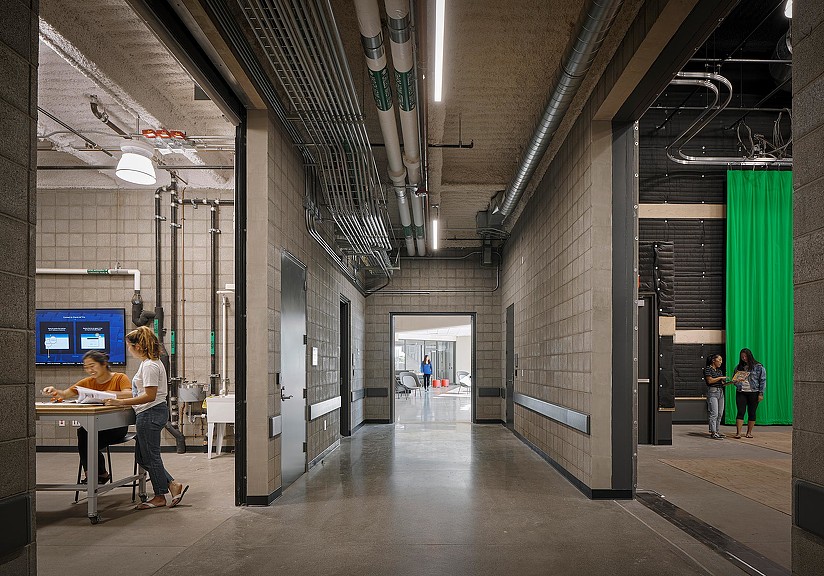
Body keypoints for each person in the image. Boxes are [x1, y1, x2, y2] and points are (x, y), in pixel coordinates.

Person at [104, 326, 188, 510]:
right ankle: (172, 485)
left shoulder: (150, 365)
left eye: (129, 346)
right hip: (149, 412)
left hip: (150, 412)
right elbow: (141, 392)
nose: (128, 349)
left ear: (138, 346)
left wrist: (121, 402)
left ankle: (159, 496)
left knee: (151, 456)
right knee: (143, 457)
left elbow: (149, 396)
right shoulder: (148, 363)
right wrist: (117, 397)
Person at [42, 351, 133, 484]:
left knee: (87, 440)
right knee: (84, 433)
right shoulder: (87, 382)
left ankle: (97, 474)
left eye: (92, 366)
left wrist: (105, 394)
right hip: (98, 425)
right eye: (86, 367)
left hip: (117, 425)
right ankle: (95, 475)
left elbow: (129, 394)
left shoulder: (120, 377)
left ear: (104, 364)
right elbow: (65, 394)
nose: (90, 370)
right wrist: (54, 391)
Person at [732, 348, 766, 439]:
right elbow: (734, 380)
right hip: (741, 392)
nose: (744, 358)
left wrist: (761, 393)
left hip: (754, 392)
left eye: (745, 356)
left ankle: (749, 432)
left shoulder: (758, 367)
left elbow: (762, 380)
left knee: (752, 412)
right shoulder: (738, 367)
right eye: (742, 357)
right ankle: (738, 433)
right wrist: (737, 382)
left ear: (749, 356)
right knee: (740, 411)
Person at [703, 353, 731, 439]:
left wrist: (733, 381)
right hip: (712, 392)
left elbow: (722, 384)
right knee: (714, 413)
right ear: (713, 360)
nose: (721, 362)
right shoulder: (708, 369)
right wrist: (720, 378)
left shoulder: (719, 371)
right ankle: (713, 432)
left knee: (720, 413)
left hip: (720, 392)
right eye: (719, 360)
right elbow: (710, 381)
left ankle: (717, 431)